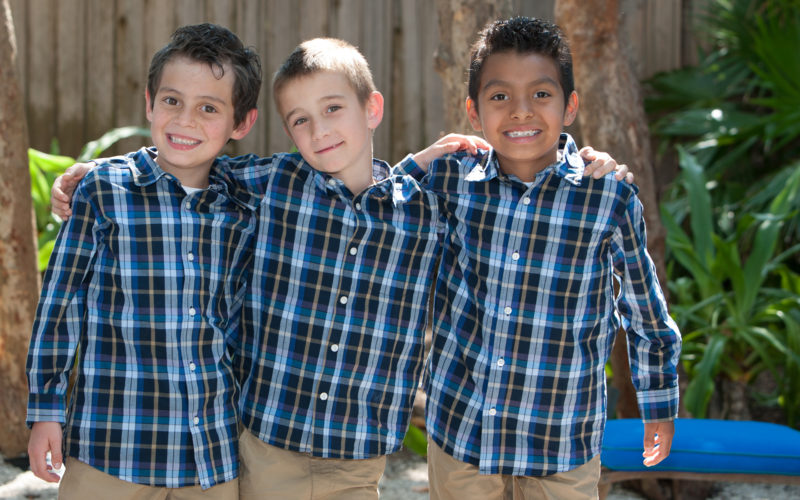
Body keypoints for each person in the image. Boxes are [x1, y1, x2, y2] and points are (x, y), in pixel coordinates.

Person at [49, 37, 629, 500]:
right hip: (265, 442)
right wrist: (95, 172)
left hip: (359, 452)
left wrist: (582, 157)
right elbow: (187, 157)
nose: (320, 130)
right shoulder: (271, 184)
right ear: (280, 127)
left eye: (333, 110)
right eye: (300, 120)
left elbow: (510, 191)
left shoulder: (424, 203)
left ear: (371, 107)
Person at [399, 17, 682, 500]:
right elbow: (368, 216)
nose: (521, 112)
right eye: (500, 96)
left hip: (562, 439)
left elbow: (644, 307)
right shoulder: (447, 181)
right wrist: (415, 164)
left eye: (542, 95)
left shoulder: (606, 196)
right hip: (464, 433)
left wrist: (658, 401)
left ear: (570, 106)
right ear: (473, 111)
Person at [26, 23, 261, 499]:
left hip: (211, 454)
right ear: (150, 103)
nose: (186, 120)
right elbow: (61, 305)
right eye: (172, 101)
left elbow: (330, 179)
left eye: (209, 108)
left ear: (242, 124)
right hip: (112, 448)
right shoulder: (105, 192)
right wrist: (45, 408)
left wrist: (413, 167)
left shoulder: (247, 198)